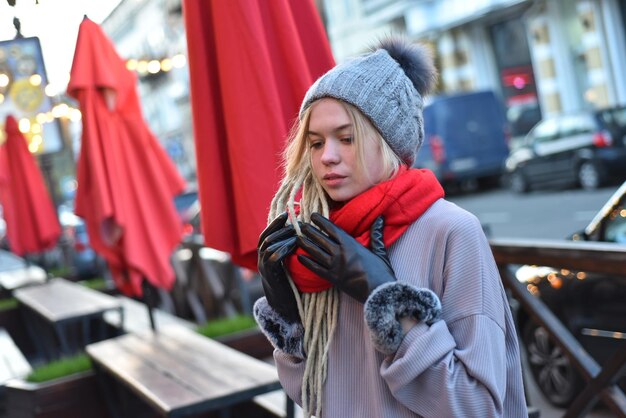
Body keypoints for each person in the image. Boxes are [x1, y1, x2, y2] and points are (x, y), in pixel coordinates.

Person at [253, 36, 528, 418]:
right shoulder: (316, 239)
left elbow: (477, 407)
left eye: (346, 138)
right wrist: (288, 315)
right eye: (315, 143)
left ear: (388, 141)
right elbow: (314, 397)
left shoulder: (451, 232)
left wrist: (385, 298)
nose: (327, 157)